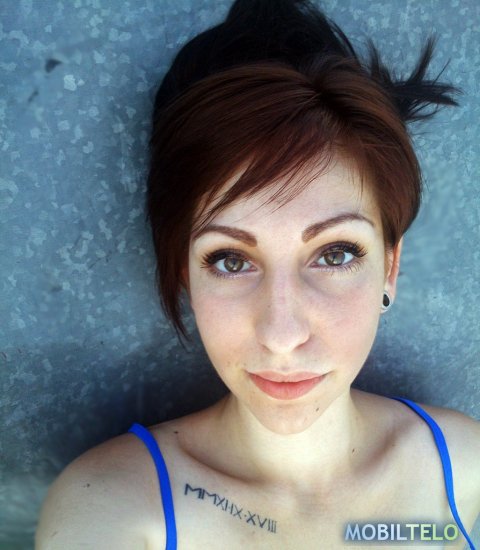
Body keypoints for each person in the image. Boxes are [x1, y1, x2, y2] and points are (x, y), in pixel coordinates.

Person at [36, 0, 479, 548]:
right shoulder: (111, 510)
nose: (282, 335)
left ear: (389, 266)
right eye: (231, 260)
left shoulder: (465, 468)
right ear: (184, 272)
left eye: (335, 254)